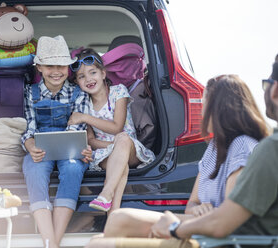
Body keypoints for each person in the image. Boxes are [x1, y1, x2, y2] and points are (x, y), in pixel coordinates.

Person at [85, 73, 271, 247]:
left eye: (204, 102)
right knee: (118, 218)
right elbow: (192, 204)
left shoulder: (241, 146)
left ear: (219, 108)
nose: (201, 108)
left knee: (98, 243)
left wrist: (174, 226)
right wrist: (197, 209)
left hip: (215, 237)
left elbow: (227, 216)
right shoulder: (214, 149)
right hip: (200, 224)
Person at [21, 35, 92, 248]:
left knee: (72, 169)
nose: (56, 71)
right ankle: (49, 241)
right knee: (33, 170)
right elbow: (28, 128)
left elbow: (77, 129)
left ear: (68, 68)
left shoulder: (78, 93)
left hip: (70, 148)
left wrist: (80, 148)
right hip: (39, 147)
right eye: (50, 65)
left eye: (61, 65)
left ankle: (53, 242)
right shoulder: (29, 93)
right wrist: (30, 146)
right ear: (39, 67)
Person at [67, 48, 155, 213]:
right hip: (103, 153)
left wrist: (85, 118)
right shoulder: (82, 102)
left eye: (93, 72)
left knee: (122, 138)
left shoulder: (118, 91)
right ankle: (111, 214)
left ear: (103, 74)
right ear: (77, 82)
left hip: (130, 149)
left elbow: (117, 127)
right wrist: (114, 148)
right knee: (121, 167)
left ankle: (106, 193)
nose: (88, 79)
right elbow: (91, 141)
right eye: (81, 76)